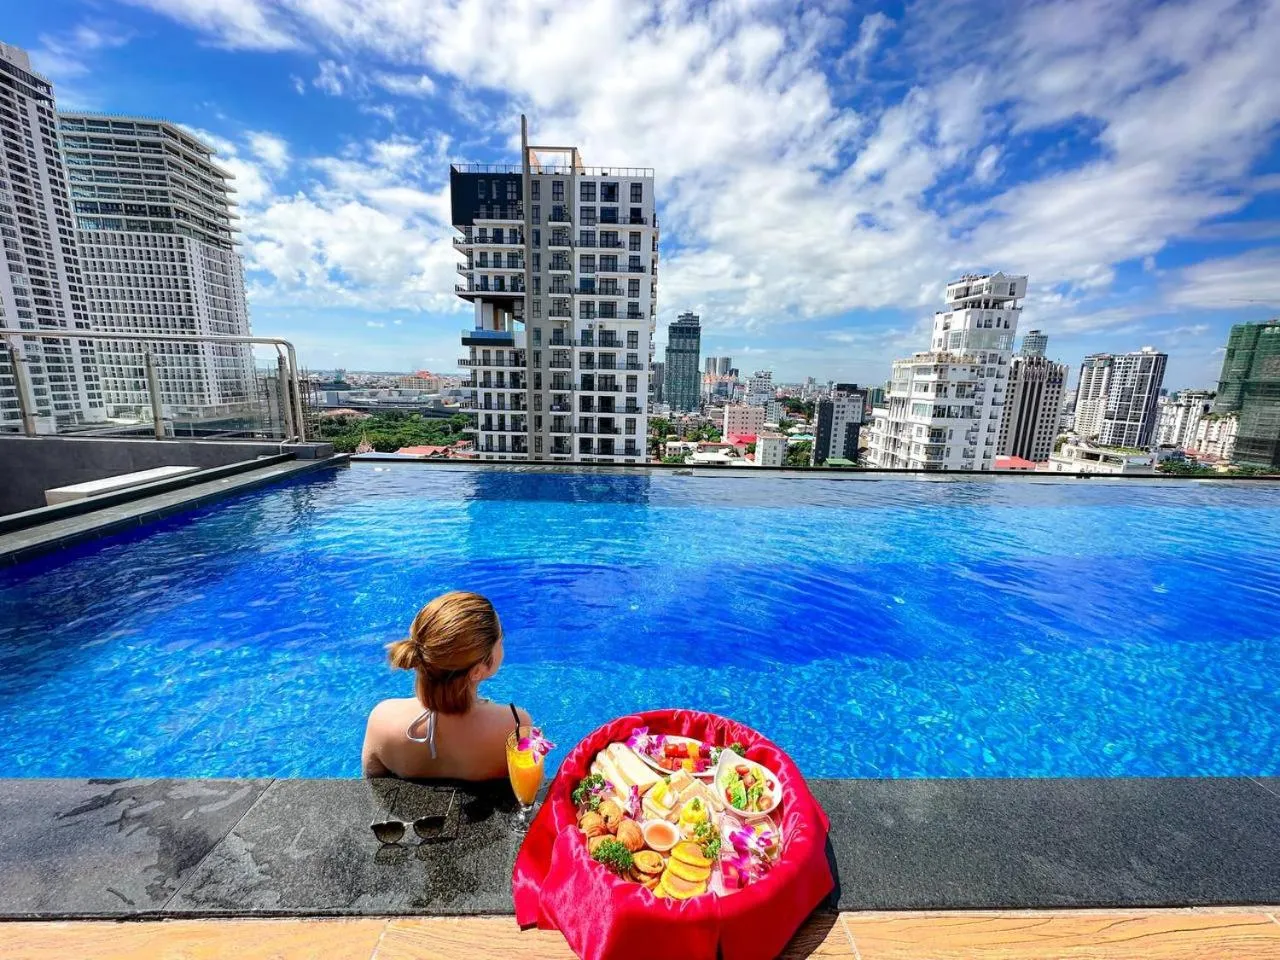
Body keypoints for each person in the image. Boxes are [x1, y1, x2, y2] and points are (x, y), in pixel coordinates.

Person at [362, 591, 531, 779]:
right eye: (501, 638)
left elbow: (372, 787)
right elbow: (528, 788)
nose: (503, 642)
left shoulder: (383, 719)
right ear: (477, 671)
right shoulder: (515, 725)